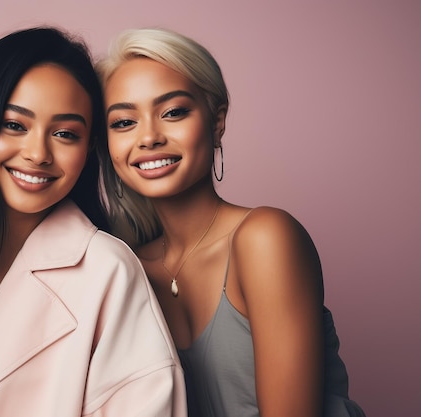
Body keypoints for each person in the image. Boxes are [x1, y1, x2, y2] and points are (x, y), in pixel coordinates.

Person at [0, 27, 187, 417]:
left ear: (88, 149)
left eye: (64, 133)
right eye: (15, 125)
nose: (38, 153)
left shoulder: (107, 272)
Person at [97, 28, 365, 417]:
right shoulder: (125, 267)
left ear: (217, 121)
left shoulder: (265, 238)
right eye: (124, 122)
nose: (149, 137)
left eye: (173, 112)